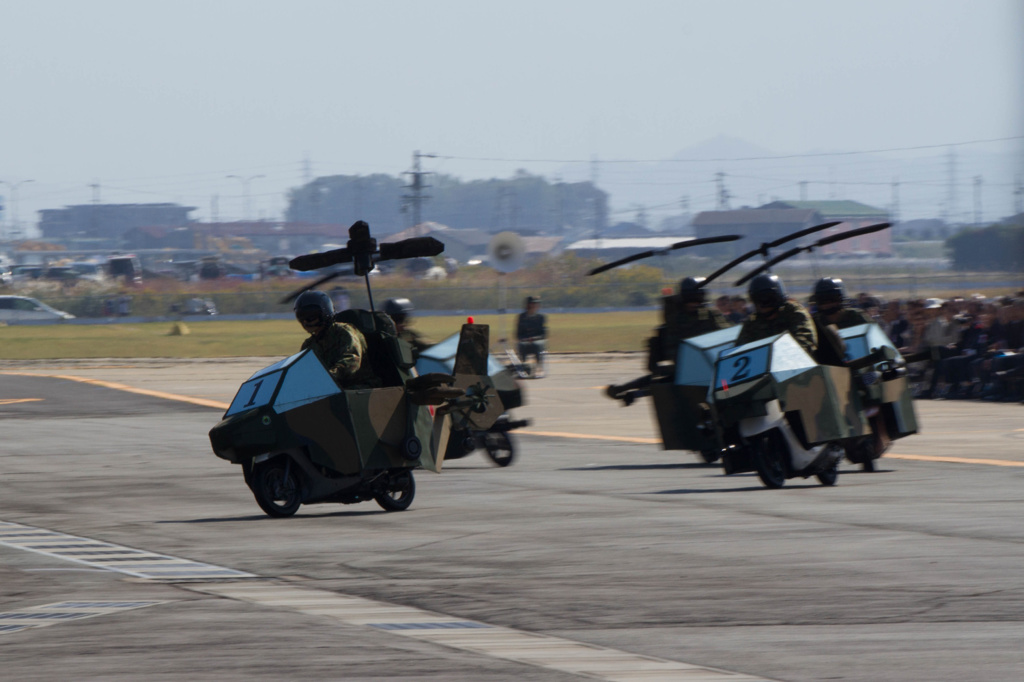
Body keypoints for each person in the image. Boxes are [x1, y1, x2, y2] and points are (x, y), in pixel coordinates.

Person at [652, 276, 730, 374]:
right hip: (689, 365)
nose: (693, 304)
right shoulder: (675, 317)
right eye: (690, 300)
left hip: (705, 363)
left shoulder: (709, 315)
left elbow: (728, 334)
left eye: (696, 300)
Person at [294, 290, 369, 387]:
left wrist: (326, 377)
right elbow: (302, 369)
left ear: (324, 313)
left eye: (310, 316)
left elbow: (351, 361)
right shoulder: (309, 345)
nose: (305, 321)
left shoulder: (344, 332)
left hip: (359, 387)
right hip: (331, 388)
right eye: (301, 317)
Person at [736, 274, 817, 355]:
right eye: (758, 300)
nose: (763, 305)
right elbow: (740, 352)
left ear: (778, 298)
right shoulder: (752, 323)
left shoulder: (794, 313)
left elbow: (804, 345)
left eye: (767, 300)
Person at [516, 295, 547, 378]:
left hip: (537, 340)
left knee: (537, 345)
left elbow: (543, 333)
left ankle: (538, 368)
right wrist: (524, 339)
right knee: (522, 345)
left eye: (536, 304)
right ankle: (523, 367)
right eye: (532, 303)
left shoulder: (540, 317)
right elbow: (518, 333)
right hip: (525, 340)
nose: (534, 306)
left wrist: (534, 338)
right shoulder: (522, 317)